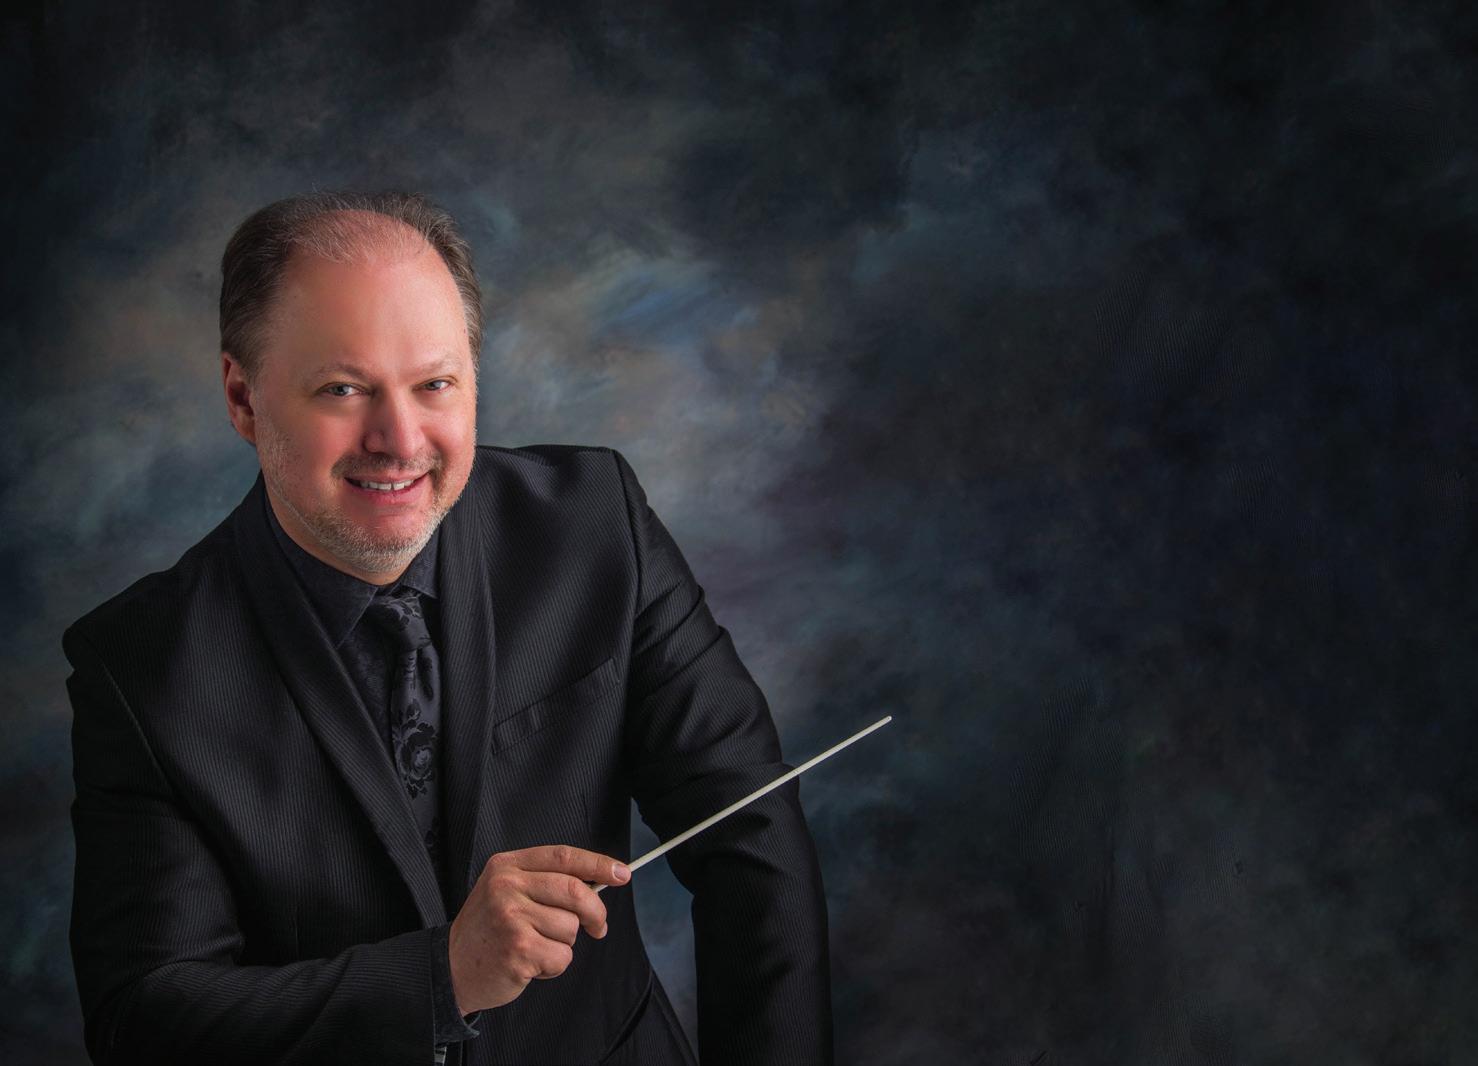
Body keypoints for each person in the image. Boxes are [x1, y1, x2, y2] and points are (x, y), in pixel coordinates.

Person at [63, 191, 833, 1065]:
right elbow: (146, 1019)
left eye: (434, 384)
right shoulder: (139, 669)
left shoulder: (596, 525)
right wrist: (440, 979)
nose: (399, 440)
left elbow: (751, 837)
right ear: (243, 398)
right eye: (344, 389)